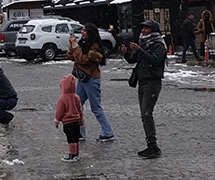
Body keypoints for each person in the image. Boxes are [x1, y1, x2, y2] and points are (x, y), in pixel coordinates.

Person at [121, 19, 167, 159]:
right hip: (142, 82)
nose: (143, 31)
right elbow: (133, 60)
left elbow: (154, 60)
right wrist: (126, 53)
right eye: (143, 28)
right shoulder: (143, 43)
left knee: (147, 114)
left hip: (152, 83)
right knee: (144, 115)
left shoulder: (159, 45)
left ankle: (153, 146)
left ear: (153, 30)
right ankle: (151, 145)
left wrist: (139, 50)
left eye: (146, 28)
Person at [66, 22, 115, 142]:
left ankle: (108, 132)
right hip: (82, 79)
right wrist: (72, 45)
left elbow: (82, 60)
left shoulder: (95, 47)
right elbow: (71, 56)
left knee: (96, 108)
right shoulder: (83, 44)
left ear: (90, 33)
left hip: (92, 79)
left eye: (84, 30)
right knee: (77, 106)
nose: (82, 32)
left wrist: (75, 47)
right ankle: (80, 133)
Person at [54, 74, 84, 162]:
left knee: (70, 139)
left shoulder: (62, 98)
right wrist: (81, 119)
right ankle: (77, 153)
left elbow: (60, 111)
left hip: (68, 122)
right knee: (76, 138)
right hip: (76, 121)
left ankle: (72, 154)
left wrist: (57, 120)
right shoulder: (76, 97)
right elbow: (80, 109)